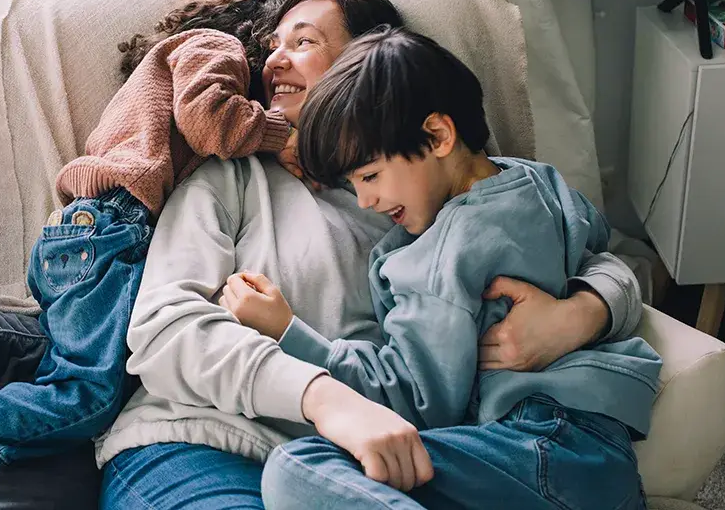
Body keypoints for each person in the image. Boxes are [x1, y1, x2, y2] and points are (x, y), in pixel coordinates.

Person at [94, 0, 647, 509]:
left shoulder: (436, 188)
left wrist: (585, 312)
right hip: (208, 440)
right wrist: (321, 396)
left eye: (304, 42)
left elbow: (594, 256)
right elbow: (164, 328)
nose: (275, 60)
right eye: (272, 46)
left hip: (382, 454)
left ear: (363, 62)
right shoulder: (232, 179)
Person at [0, 0, 309, 510]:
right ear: (255, 32)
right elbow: (210, 122)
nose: (280, 62)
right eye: (279, 42)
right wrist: (283, 136)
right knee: (85, 396)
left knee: (88, 373)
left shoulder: (170, 65)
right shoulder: (212, 46)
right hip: (114, 230)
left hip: (87, 235)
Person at [222, 27, 662, 509]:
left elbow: (413, 402)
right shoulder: (537, 181)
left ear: (438, 136)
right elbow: (600, 253)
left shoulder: (442, 255)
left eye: (370, 176)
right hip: (597, 452)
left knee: (297, 468)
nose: (365, 200)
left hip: (543, 449)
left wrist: (288, 331)